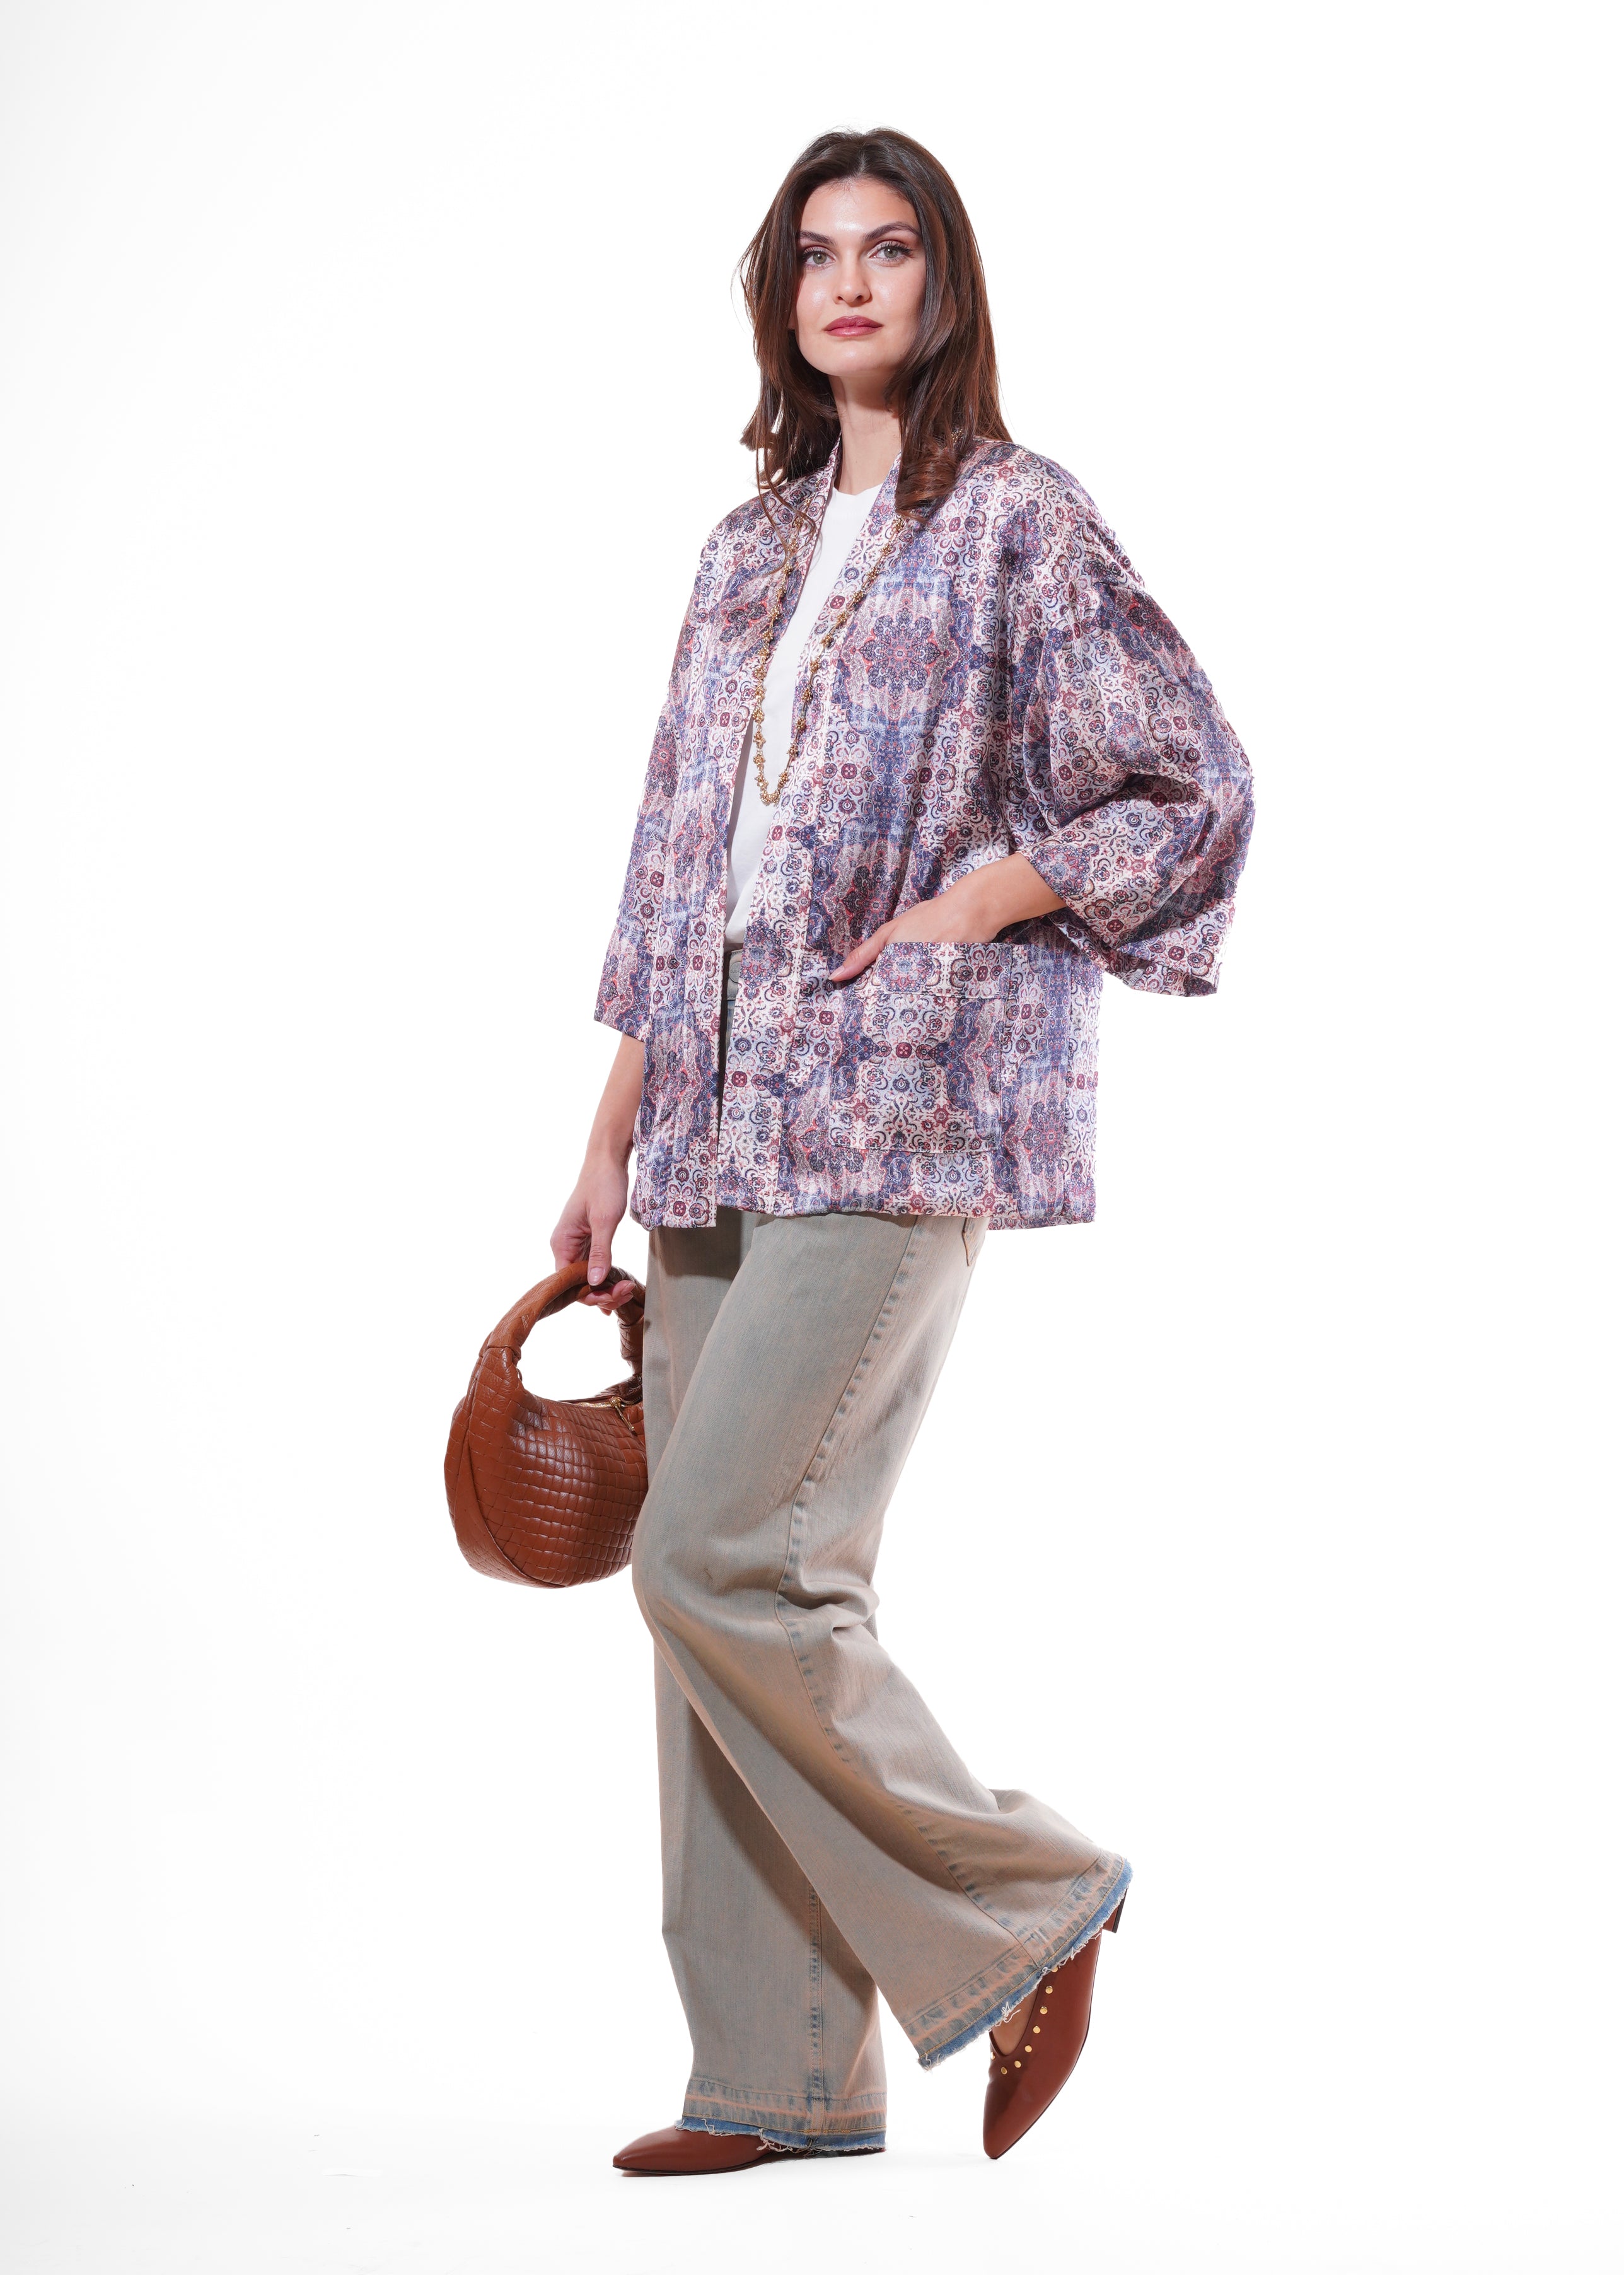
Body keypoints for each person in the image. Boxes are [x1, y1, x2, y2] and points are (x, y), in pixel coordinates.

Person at [550, 125, 1253, 2173]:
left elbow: (1187, 783)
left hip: (899, 1100)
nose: (849, 284)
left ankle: (1030, 1907)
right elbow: (683, 860)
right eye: (815, 255)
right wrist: (607, 1134)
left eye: (890, 249)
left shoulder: (1021, 519)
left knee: (720, 1556)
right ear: (780, 297)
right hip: (708, 1110)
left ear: (945, 285)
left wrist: (978, 900)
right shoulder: (743, 548)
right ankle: (774, 2077)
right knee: (719, 1601)